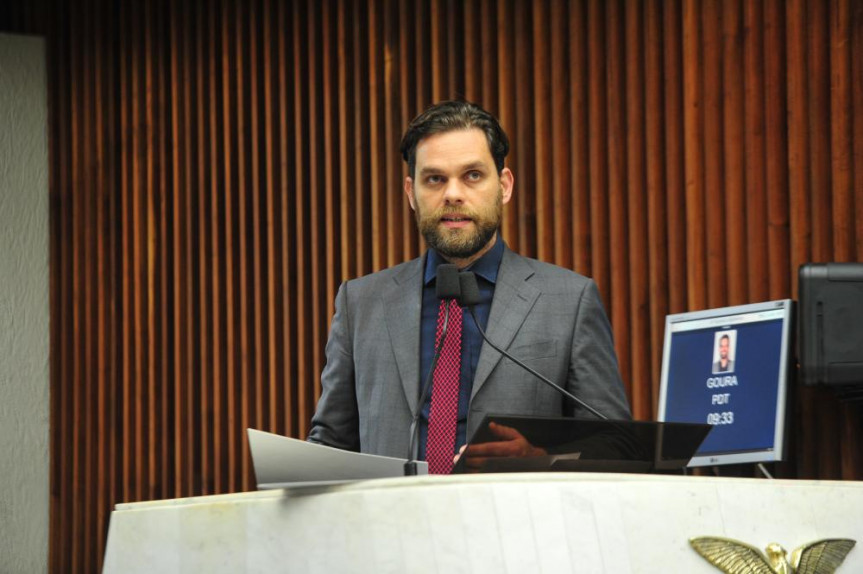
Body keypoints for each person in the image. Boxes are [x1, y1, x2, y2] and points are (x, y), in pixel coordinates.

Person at [307, 100, 631, 473]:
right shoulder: (361, 303)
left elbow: (616, 444)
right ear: (411, 193)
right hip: (393, 526)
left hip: (516, 526)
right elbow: (331, 443)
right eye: (435, 179)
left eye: (473, 175)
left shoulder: (569, 301)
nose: (453, 194)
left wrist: (538, 460)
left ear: (504, 186)